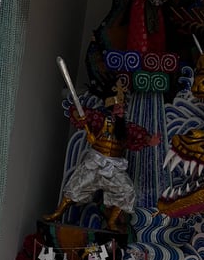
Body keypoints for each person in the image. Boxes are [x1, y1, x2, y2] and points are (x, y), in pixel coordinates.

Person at [47, 77, 158, 232]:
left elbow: (139, 135)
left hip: (114, 167)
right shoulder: (99, 119)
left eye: (122, 108)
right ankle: (58, 213)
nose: (121, 110)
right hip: (95, 162)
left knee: (127, 190)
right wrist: (81, 117)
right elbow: (79, 112)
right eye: (118, 107)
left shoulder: (126, 127)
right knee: (76, 185)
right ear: (111, 108)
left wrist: (149, 140)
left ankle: (112, 222)